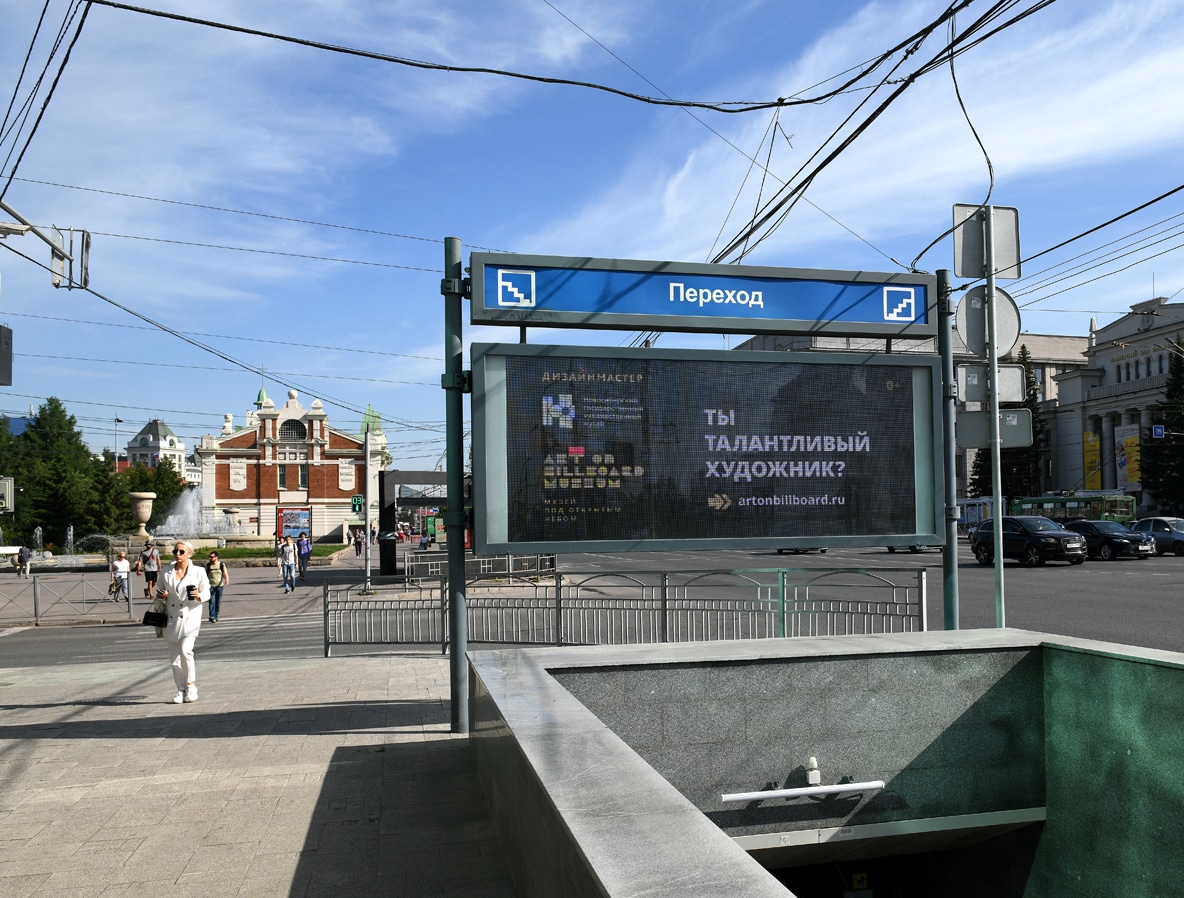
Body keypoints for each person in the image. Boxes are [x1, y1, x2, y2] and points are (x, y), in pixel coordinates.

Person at [159, 540, 210, 704]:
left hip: (190, 615)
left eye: (181, 551)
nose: (177, 554)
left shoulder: (198, 571)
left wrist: (198, 596)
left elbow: (207, 591)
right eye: (175, 551)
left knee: (185, 650)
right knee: (174, 657)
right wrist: (162, 594)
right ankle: (180, 689)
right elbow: (159, 589)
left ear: (189, 553)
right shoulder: (166, 571)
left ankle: (191, 685)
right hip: (171, 617)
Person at [205, 550, 229, 622]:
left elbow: (225, 573)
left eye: (212, 557)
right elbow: (205, 575)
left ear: (216, 557)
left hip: (219, 586)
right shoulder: (208, 565)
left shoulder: (221, 565)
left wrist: (226, 580)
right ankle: (212, 616)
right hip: (211, 586)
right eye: (209, 557)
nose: (210, 558)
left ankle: (215, 615)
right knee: (212, 601)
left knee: (218, 602)